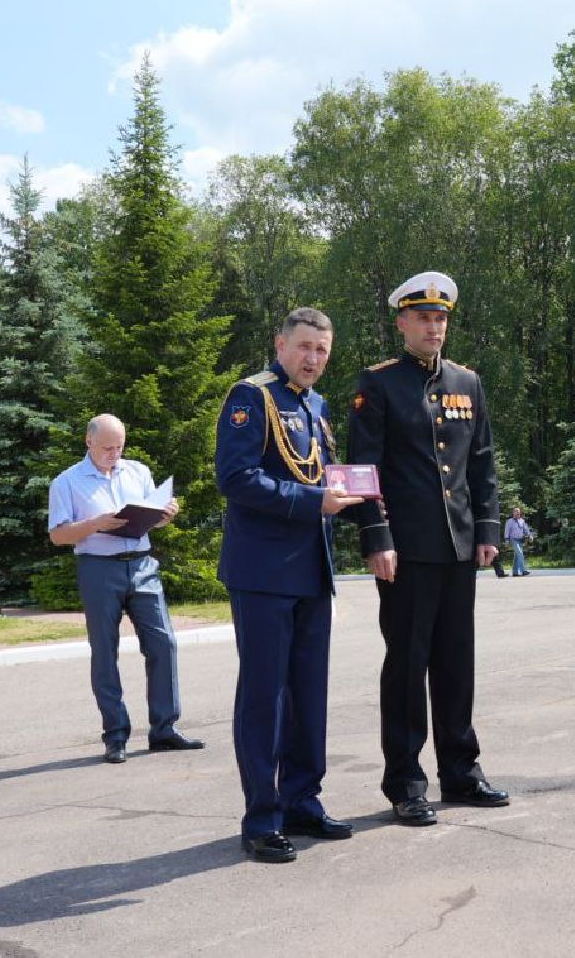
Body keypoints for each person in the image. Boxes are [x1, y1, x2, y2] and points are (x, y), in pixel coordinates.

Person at [347, 270, 510, 826]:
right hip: (406, 550)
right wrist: (377, 537)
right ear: (402, 323)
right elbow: (364, 471)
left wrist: (487, 531)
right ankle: (406, 782)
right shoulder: (379, 384)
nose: (433, 327)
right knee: (408, 665)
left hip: (459, 547)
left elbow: (481, 462)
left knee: (455, 664)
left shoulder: (468, 382)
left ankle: (462, 772)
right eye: (423, 318)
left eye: (440, 319)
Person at [215, 307, 365, 865]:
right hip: (261, 574)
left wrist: (358, 500)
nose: (313, 359)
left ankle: (303, 799)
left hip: (310, 569)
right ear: (280, 344)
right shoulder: (251, 397)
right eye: (304, 347)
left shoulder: (316, 406)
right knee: (264, 697)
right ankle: (262, 817)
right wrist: (313, 502)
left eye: (322, 351)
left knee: (308, 694)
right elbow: (234, 478)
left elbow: (318, 477)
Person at [47, 414, 203, 764]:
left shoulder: (138, 471)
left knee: (164, 643)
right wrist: (96, 524)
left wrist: (165, 514)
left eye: (119, 447)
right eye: (107, 448)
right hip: (98, 568)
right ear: (89, 442)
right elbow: (57, 534)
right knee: (105, 651)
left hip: (143, 564)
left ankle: (164, 729)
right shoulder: (66, 482)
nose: (114, 454)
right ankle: (115, 735)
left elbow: (152, 516)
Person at [504, 507, 533, 577]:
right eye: (516, 511)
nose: (517, 513)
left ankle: (515, 572)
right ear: (513, 513)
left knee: (517, 556)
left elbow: (526, 529)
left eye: (518, 511)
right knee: (520, 553)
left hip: (520, 540)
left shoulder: (522, 521)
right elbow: (507, 531)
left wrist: (530, 536)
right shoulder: (510, 521)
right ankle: (523, 570)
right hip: (513, 540)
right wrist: (507, 540)